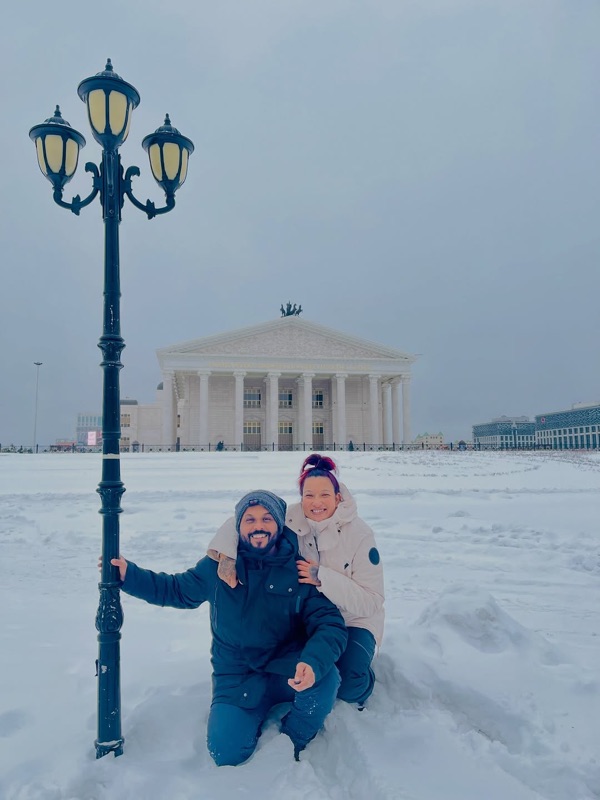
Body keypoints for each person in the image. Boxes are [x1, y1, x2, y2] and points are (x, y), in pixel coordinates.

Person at [107, 490, 347, 766]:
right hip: (238, 675)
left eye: (267, 518)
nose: (259, 525)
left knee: (325, 678)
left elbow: (330, 624)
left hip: (286, 668)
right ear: (238, 526)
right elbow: (175, 590)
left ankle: (293, 737)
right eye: (250, 519)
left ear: (280, 525)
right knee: (226, 752)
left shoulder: (298, 568)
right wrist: (130, 575)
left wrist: (312, 662)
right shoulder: (218, 568)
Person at [208, 455, 384, 708]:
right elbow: (240, 521)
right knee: (302, 667)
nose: (316, 503)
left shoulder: (360, 535)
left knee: (350, 684)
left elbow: (372, 602)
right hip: (307, 617)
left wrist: (322, 577)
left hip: (352, 619)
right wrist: (226, 553)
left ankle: (363, 674)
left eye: (324, 495)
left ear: (338, 497)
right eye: (309, 495)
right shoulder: (292, 518)